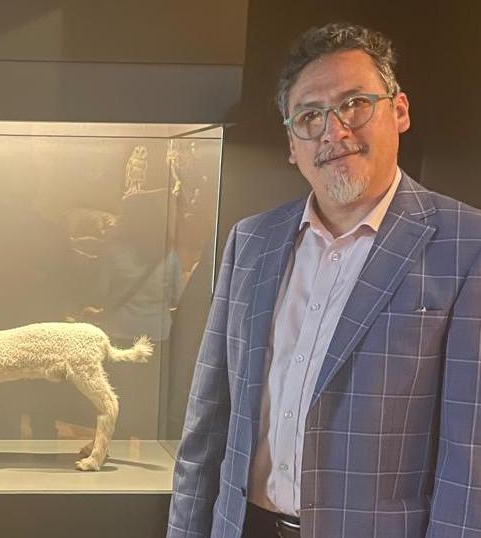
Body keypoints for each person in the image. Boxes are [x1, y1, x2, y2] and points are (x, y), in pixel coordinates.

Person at [167, 22, 481, 538]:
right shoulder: (252, 241)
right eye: (310, 116)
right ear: (292, 144)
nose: (334, 132)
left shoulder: (465, 246)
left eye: (354, 103)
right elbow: (207, 423)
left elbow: (470, 462)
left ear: (398, 111)